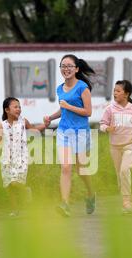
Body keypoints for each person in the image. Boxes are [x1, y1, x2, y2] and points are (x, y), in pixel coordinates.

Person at [44, 54, 96, 217]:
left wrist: (68, 106)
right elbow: (63, 109)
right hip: (64, 131)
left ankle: (91, 194)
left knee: (81, 170)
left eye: (69, 66)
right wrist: (51, 117)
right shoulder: (60, 88)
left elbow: (88, 112)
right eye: (63, 66)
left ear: (77, 69)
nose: (66, 69)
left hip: (80, 132)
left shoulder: (82, 88)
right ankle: (65, 204)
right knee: (66, 167)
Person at [0, 97, 47, 216]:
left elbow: (33, 130)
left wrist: (45, 125)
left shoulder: (23, 122)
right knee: (9, 185)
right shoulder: (1, 125)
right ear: (7, 110)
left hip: (21, 157)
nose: (18, 109)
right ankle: (15, 210)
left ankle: (26, 191)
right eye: (15, 107)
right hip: (6, 159)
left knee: (15, 182)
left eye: (19, 107)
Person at [100, 80, 132, 213]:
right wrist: (107, 128)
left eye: (118, 91)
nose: (115, 93)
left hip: (129, 145)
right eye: (114, 90)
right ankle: (127, 198)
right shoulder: (110, 109)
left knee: (124, 170)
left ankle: (126, 202)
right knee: (119, 175)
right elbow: (102, 124)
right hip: (114, 146)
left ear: (126, 94)